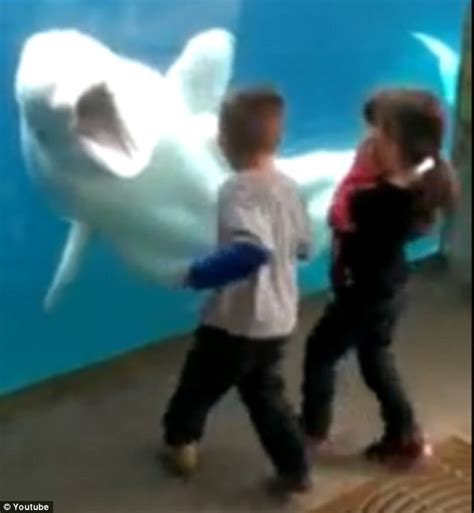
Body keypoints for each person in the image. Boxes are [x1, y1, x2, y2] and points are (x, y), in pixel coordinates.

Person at [163, 87, 313, 492]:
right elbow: (304, 246)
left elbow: (251, 251)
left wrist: (195, 274)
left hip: (234, 321)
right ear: (277, 138)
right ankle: (295, 468)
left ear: (223, 142)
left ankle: (181, 442)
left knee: (198, 385)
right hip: (279, 317)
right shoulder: (289, 186)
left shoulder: (236, 190)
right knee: (265, 394)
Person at [301, 89, 458, 465]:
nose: (369, 141)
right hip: (388, 289)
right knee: (375, 360)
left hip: (361, 295)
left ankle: (311, 430)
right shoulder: (420, 183)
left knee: (320, 354)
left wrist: (360, 170)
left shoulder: (374, 200)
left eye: (381, 137)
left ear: (404, 148)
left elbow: (339, 212)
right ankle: (406, 435)